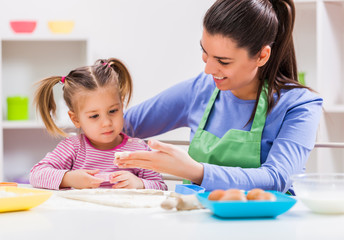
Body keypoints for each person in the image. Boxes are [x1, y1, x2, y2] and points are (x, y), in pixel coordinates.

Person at [115, 0, 323, 194]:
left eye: (223, 61)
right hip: (197, 221)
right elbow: (117, 126)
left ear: (262, 56)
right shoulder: (200, 89)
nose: (208, 69)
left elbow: (277, 178)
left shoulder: (299, 105)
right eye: (205, 52)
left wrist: (196, 171)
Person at [29, 58, 167, 191]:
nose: (107, 122)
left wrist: (140, 183)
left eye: (113, 111)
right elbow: (36, 174)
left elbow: (161, 186)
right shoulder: (74, 148)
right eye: (94, 116)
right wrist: (69, 178)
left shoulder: (138, 149)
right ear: (75, 119)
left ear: (122, 104)